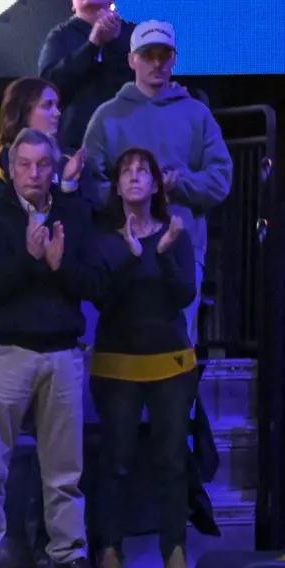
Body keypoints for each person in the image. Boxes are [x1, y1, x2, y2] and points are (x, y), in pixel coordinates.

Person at [0, 128, 108, 568]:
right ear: (11, 167)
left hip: (63, 354)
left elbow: (95, 285)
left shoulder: (74, 215)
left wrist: (57, 264)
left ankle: (68, 558)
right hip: (7, 351)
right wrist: (31, 259)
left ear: (54, 167)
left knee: (65, 470)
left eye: (42, 165)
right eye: (24, 164)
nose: (33, 173)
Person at [84, 21, 231, 351]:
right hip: (121, 248)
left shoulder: (196, 114)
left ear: (174, 60)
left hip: (183, 245)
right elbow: (90, 183)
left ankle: (178, 404)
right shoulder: (107, 116)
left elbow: (221, 179)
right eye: (148, 54)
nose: (157, 63)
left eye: (164, 55)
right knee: (119, 339)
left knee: (178, 343)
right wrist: (129, 192)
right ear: (132, 59)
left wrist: (181, 182)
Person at [90, 148, 199, 568]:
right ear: (117, 186)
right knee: (115, 461)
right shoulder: (104, 236)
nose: (135, 178)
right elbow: (102, 298)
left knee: (171, 460)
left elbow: (184, 295)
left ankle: (174, 552)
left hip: (172, 364)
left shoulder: (176, 232)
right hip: (117, 365)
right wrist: (132, 256)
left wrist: (167, 252)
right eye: (126, 172)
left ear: (157, 184)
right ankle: (110, 551)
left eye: (143, 172)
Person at [0, 77, 98, 211]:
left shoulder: (73, 160)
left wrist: (68, 184)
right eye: (47, 105)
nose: (57, 113)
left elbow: (90, 213)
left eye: (57, 106)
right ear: (22, 110)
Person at [38, 0, 134, 153]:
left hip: (125, 146)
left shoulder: (131, 35)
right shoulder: (60, 36)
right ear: (73, 4)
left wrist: (112, 44)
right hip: (75, 147)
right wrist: (92, 45)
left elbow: (141, 84)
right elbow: (49, 86)